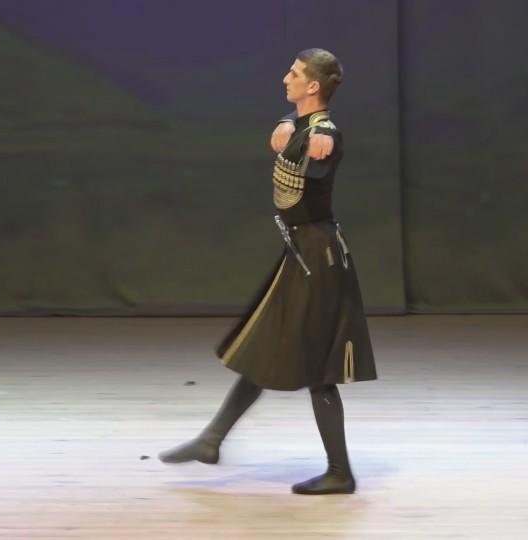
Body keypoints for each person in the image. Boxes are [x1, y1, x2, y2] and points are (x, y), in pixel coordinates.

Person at [158, 48, 377, 496]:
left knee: (319, 367)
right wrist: (287, 120)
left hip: (318, 259)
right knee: (264, 346)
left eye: (294, 74)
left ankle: (339, 472)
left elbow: (324, 138)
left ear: (312, 86)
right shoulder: (300, 123)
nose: (285, 78)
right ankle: (212, 440)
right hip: (303, 254)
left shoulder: (324, 135)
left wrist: (319, 137)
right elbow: (305, 124)